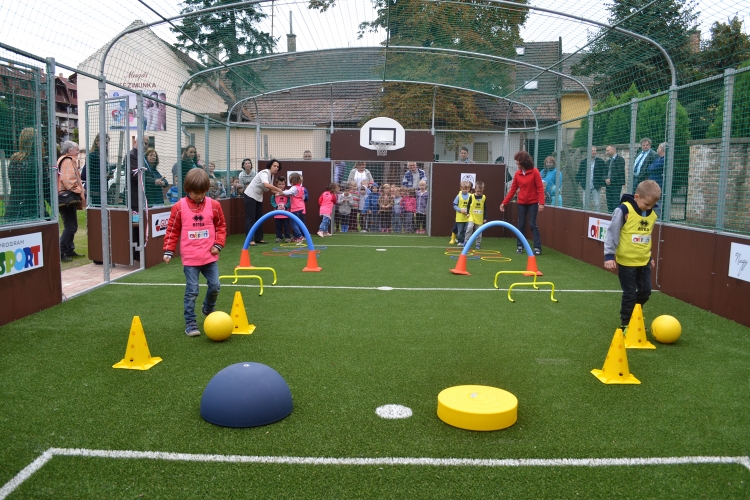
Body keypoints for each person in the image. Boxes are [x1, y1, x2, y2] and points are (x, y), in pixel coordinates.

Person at [162, 168, 227, 337]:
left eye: (202, 192)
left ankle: (208, 308)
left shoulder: (214, 206)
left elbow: (221, 226)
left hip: (209, 256)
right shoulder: (179, 207)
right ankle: (190, 322)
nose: (199, 196)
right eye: (195, 192)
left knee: (215, 286)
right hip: (190, 258)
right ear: (187, 190)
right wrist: (168, 250)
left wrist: (218, 245)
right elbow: (172, 230)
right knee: (192, 290)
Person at [603, 180, 662, 331]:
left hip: (643, 262)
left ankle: (635, 314)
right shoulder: (623, 210)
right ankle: (626, 323)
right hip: (626, 263)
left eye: (652, 205)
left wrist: (649, 257)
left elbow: (646, 237)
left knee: (645, 291)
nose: (649, 208)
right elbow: (611, 233)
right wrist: (609, 255)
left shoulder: (652, 215)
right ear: (636, 196)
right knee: (629, 293)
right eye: (647, 204)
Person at [500, 150, 545, 255]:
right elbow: (512, 190)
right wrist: (504, 203)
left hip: (533, 202)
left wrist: (541, 203)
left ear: (523, 161)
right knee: (521, 224)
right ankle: (520, 246)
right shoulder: (517, 174)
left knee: (533, 224)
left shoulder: (535, 172)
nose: (516, 163)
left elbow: (540, 188)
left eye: (518, 161)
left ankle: (537, 248)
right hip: (521, 203)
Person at [58, 141, 86, 262]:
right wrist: (80, 190)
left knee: (71, 226)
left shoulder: (64, 160)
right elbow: (68, 180)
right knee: (70, 227)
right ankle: (61, 251)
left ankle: (69, 249)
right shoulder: (68, 161)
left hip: (65, 198)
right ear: (69, 150)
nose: (78, 152)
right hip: (66, 199)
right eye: (76, 149)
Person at [244, 159, 283, 245]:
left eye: (277, 167)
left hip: (258, 197)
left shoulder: (271, 176)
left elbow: (270, 189)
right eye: (274, 166)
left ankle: (259, 239)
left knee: (259, 218)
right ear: (270, 166)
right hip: (250, 195)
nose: (276, 168)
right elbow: (266, 185)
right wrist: (278, 190)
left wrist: (281, 193)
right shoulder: (264, 173)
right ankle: (250, 240)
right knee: (251, 218)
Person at [6, 128, 38, 221]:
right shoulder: (36, 161)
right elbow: (45, 186)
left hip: (12, 208)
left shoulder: (14, 159)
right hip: (32, 210)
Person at [576, 146, 606, 211]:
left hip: (596, 186)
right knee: (585, 204)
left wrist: (601, 184)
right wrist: (580, 182)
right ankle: (585, 217)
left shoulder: (600, 161)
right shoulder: (583, 162)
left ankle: (597, 217)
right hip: (586, 186)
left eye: (595, 151)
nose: (593, 152)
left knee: (597, 204)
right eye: (592, 151)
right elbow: (579, 173)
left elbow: (604, 173)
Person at [282, 173, 306, 243]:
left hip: (296, 208)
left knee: (293, 223)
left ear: (293, 181)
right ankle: (297, 236)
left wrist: (280, 192)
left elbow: (288, 192)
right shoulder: (302, 188)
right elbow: (303, 197)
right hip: (301, 208)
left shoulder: (294, 188)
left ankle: (299, 236)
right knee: (299, 222)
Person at [87, 133, 108, 206]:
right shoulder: (92, 156)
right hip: (95, 191)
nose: (106, 145)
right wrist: (103, 177)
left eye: (107, 143)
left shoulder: (102, 156)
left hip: (103, 190)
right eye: (104, 143)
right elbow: (85, 175)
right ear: (97, 141)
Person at [465, 181, 487, 250]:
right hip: (472, 215)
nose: (479, 193)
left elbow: (485, 208)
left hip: (479, 217)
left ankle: (478, 244)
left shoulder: (484, 197)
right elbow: (468, 205)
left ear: (483, 189)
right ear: (475, 189)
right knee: (470, 227)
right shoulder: (471, 196)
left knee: (479, 231)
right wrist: (468, 213)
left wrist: (485, 217)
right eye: (478, 191)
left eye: (480, 191)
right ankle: (466, 241)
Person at [604, 145, 626, 213]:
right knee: (609, 202)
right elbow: (604, 172)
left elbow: (619, 172)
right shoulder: (607, 162)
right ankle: (609, 215)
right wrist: (605, 179)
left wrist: (610, 179)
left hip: (616, 184)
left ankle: (616, 216)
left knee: (615, 201)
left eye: (608, 150)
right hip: (608, 185)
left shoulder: (620, 159)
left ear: (613, 150)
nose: (606, 152)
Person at [270, 176, 292, 243]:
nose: (281, 186)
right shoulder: (274, 193)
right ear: (277, 185)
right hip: (277, 214)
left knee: (286, 226)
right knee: (278, 227)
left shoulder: (287, 192)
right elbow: (272, 201)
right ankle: (278, 237)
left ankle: (287, 237)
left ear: (285, 184)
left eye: (282, 184)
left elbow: (290, 201)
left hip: (286, 214)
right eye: (279, 184)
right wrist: (276, 207)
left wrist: (286, 207)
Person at [453, 181, 472, 246]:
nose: (464, 190)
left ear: (468, 189)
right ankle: (460, 241)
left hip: (468, 217)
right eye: (463, 189)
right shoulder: (458, 196)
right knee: (460, 231)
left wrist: (468, 211)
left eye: (466, 189)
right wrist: (460, 210)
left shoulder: (471, 196)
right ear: (460, 188)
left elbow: (472, 205)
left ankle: (466, 241)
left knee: (467, 230)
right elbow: (454, 205)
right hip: (460, 218)